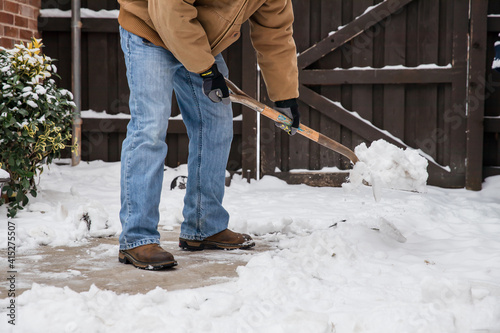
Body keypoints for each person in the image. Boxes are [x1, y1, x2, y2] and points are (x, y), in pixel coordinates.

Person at [116, 0, 301, 270]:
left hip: (197, 39)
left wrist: (286, 96)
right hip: (150, 28)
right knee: (150, 128)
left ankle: (204, 226)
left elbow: (275, 34)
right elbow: (169, 10)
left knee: (217, 125)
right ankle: (137, 238)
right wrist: (204, 67)